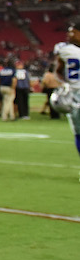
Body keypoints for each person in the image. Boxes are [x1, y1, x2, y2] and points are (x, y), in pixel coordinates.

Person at [52, 21, 80, 169]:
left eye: (73, 32)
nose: (69, 35)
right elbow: (57, 71)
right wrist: (65, 84)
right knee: (78, 132)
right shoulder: (64, 49)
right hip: (76, 95)